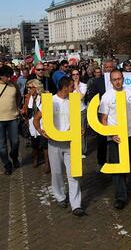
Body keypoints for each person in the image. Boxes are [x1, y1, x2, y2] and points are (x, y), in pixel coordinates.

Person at [33, 76, 86, 216]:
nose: (74, 89)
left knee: (73, 173)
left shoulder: (74, 101)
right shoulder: (50, 101)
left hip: (70, 143)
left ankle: (76, 205)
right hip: (54, 143)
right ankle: (60, 196)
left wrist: (80, 129)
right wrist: (40, 131)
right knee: (56, 173)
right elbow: (36, 118)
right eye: (71, 86)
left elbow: (78, 120)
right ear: (64, 88)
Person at [99, 69, 131, 209]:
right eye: (114, 79)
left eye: (119, 78)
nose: (117, 81)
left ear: (123, 78)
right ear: (111, 81)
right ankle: (120, 197)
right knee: (117, 166)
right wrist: (110, 135)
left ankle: (122, 188)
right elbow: (103, 119)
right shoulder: (106, 97)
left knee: (126, 165)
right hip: (114, 137)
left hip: (129, 134)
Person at [87, 60, 115, 169]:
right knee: (102, 141)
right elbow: (91, 97)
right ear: (104, 69)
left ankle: (116, 162)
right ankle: (101, 162)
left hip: (117, 116)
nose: (109, 69)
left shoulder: (120, 80)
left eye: (111, 67)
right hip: (103, 115)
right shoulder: (97, 82)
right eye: (107, 67)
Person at [0, 65, 21, 175]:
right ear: (1, 76)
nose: (9, 79)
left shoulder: (14, 85)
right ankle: (7, 164)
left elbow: (19, 96)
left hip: (12, 118)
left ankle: (14, 157)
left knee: (16, 142)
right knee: (1, 147)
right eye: (7, 76)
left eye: (10, 76)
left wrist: (16, 107)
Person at [26, 79, 50, 172]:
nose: (28, 89)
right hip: (32, 122)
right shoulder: (28, 97)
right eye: (28, 87)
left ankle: (47, 164)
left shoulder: (44, 96)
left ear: (36, 87)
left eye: (30, 87)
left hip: (43, 122)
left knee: (45, 144)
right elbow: (27, 109)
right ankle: (35, 159)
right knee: (34, 143)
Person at [71, 68, 88, 157]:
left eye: (77, 74)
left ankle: (82, 151)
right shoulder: (69, 85)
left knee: (82, 131)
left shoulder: (83, 85)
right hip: (71, 111)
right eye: (73, 74)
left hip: (81, 110)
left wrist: (76, 86)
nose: (75, 76)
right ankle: (74, 149)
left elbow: (81, 96)